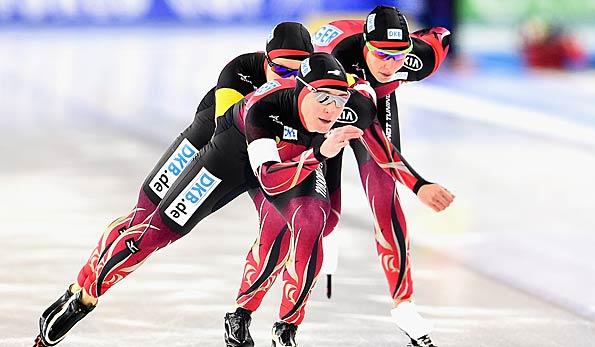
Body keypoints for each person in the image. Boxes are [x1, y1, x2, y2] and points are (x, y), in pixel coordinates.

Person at [33, 21, 314, 347]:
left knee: (278, 232)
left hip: (267, 154)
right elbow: (225, 130)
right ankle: (83, 292)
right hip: (214, 141)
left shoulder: (313, 89)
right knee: (144, 221)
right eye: (279, 68)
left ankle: (242, 318)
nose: (287, 79)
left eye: (297, 73)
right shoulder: (240, 71)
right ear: (264, 60)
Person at [224, 72, 453, 347]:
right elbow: (268, 172)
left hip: (326, 143)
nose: (389, 65)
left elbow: (383, 151)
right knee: (283, 225)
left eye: (397, 56)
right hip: (295, 148)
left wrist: (418, 186)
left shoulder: (360, 103)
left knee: (324, 221)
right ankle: (243, 313)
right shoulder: (278, 100)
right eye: (324, 97)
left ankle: (285, 327)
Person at [311, 5, 453, 346]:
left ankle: (404, 304)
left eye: (398, 55)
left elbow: (442, 37)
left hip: (373, 100)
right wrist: (419, 184)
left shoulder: (419, 60)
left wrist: (412, 185)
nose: (391, 65)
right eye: (382, 55)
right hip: (326, 98)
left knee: (385, 197)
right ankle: (322, 250)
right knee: (324, 204)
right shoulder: (338, 62)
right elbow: (369, 133)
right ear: (365, 46)